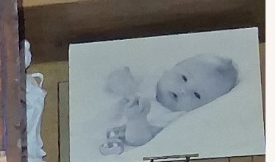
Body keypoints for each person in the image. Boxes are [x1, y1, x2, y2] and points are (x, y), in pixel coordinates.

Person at [101, 53, 239, 153]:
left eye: (196, 95)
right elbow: (115, 76)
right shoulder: (155, 77)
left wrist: (136, 119)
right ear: (174, 67)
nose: (184, 91)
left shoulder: (172, 116)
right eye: (184, 78)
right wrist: (128, 89)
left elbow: (139, 140)